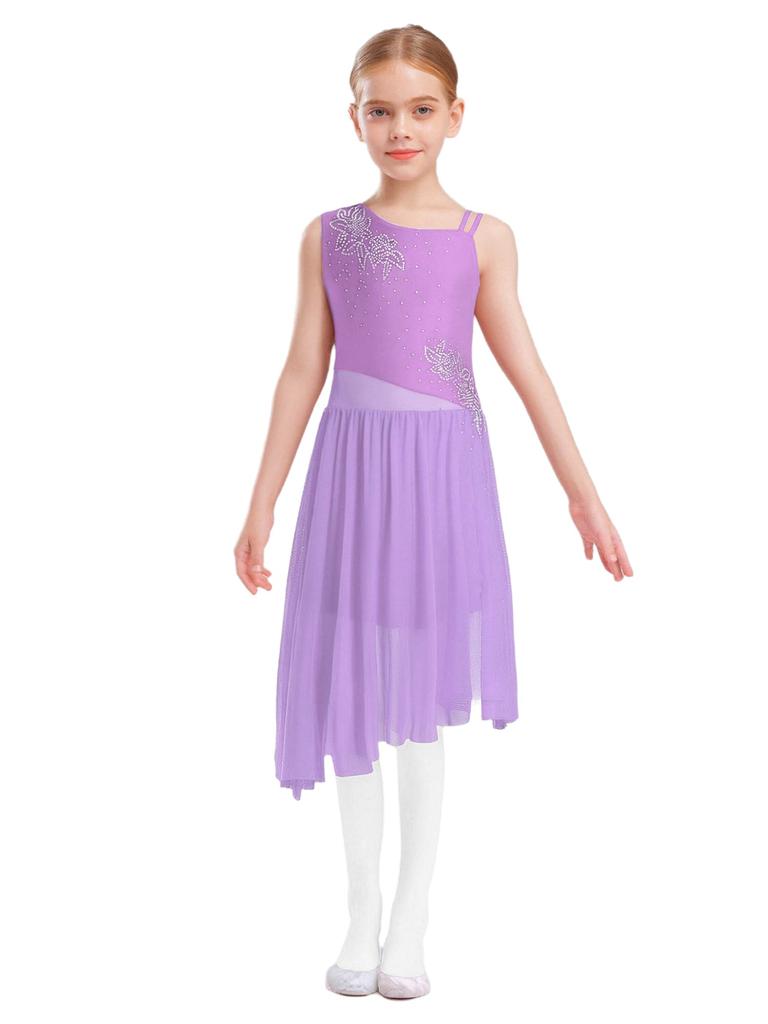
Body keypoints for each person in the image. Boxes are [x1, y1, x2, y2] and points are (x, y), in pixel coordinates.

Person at [234, 23, 633, 1000]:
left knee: (416, 697)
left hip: (441, 476)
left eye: (420, 109)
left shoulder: (482, 238)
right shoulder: (328, 234)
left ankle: (411, 918)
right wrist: (261, 502)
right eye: (381, 111)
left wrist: (582, 492)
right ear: (355, 119)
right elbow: (302, 368)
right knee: (352, 689)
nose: (400, 128)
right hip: (352, 473)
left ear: (456, 115)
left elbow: (526, 367)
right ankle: (358, 909)